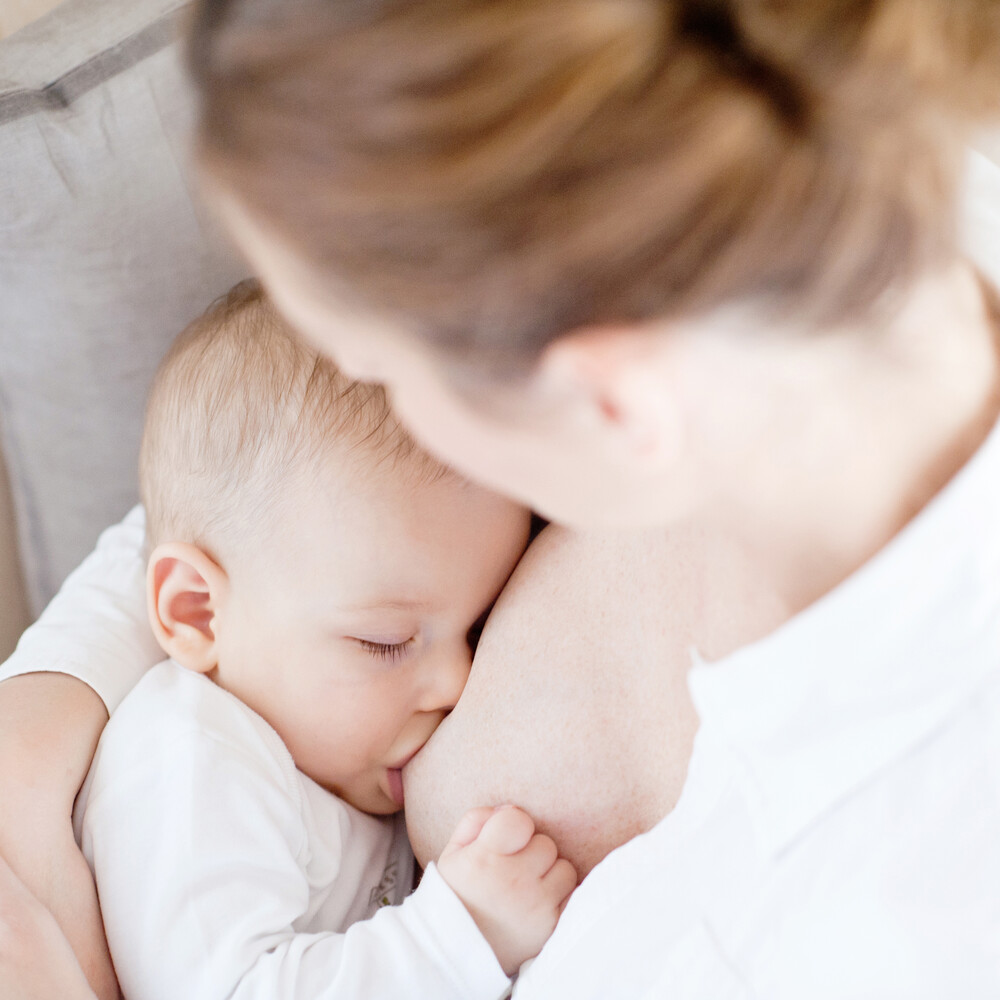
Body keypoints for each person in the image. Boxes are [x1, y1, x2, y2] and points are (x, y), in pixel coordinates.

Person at [2, 1, 1000, 998]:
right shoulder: (813, 161)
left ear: (606, 404)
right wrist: (50, 705)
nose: (362, 385)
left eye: (386, 368)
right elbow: (262, 490)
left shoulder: (836, 916)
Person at [79, 279, 577, 1000]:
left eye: (477, 627)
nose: (457, 682)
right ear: (196, 613)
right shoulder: (193, 759)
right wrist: (458, 936)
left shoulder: (328, 756)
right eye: (385, 641)